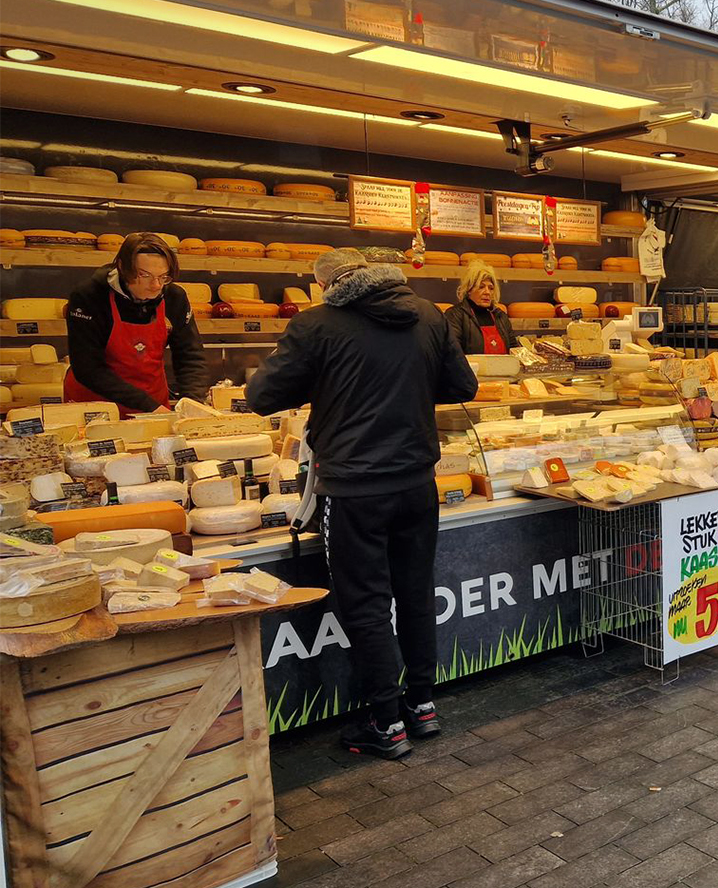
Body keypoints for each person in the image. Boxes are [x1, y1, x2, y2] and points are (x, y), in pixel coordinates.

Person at [247, 249, 477, 760]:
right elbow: (463, 385)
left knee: (366, 605)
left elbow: (263, 395)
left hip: (354, 488)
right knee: (415, 594)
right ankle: (422, 707)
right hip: (418, 482)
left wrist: (330, 381)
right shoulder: (427, 313)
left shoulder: (316, 324)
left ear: (324, 284)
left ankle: (386, 723)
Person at [63, 231, 208, 415]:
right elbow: (88, 368)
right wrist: (148, 406)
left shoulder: (174, 297)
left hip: (153, 405)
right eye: (145, 275)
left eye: (163, 277)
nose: (156, 285)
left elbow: (190, 355)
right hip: (95, 407)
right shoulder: (89, 297)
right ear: (123, 268)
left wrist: (192, 403)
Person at [442, 260, 516, 355]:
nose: (487, 292)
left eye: (491, 288)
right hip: (472, 370)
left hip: (503, 369)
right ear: (469, 290)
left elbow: (514, 349)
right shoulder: (455, 315)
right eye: (481, 287)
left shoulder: (500, 316)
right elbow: (453, 352)